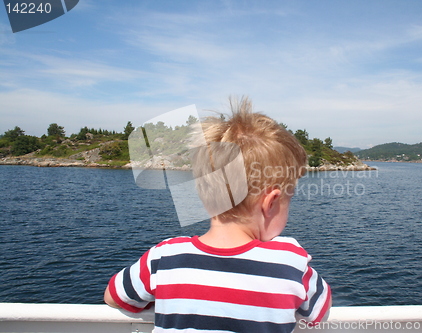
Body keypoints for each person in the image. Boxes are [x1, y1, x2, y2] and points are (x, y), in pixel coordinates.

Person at [104, 96, 332, 332]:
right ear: (271, 202)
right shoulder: (289, 262)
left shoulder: (164, 257)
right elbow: (321, 312)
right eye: (289, 198)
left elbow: (113, 296)